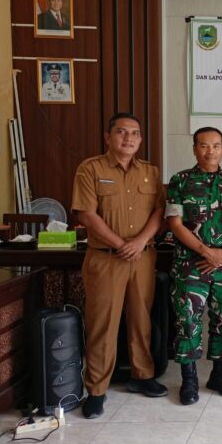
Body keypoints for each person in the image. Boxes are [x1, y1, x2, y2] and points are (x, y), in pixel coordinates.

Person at [71, 112, 167, 419]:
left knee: (141, 319)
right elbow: (86, 214)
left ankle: (143, 375)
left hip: (143, 257)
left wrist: (139, 242)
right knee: (103, 324)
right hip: (105, 258)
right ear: (108, 137)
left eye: (135, 133)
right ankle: (97, 389)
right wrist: (121, 243)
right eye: (122, 132)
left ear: (140, 139)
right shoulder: (91, 169)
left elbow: (159, 212)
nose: (129, 138)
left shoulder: (150, 172)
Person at [165, 127, 222, 405]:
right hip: (190, 264)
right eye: (204, 145)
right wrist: (205, 252)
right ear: (194, 148)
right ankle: (189, 380)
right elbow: (175, 224)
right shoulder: (180, 181)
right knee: (187, 320)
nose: (211, 151)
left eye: (216, 145)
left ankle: (219, 375)